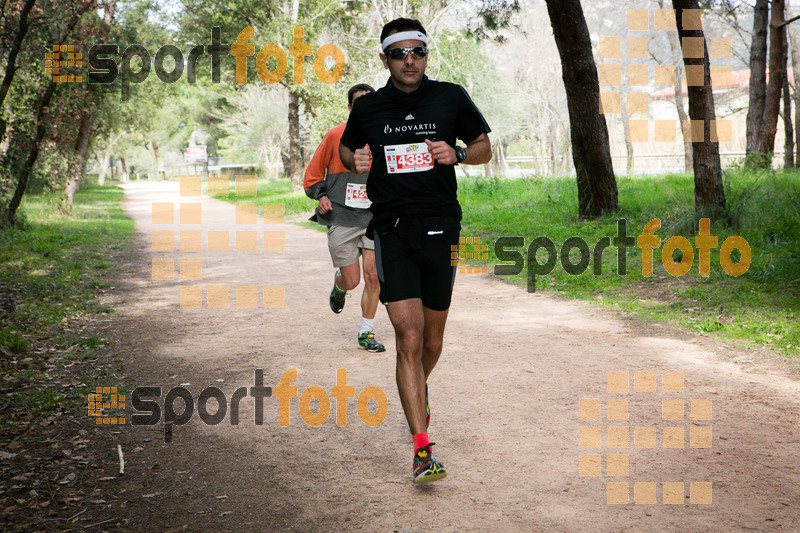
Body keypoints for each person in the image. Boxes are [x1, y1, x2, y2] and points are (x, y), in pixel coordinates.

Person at [339, 18, 492, 484]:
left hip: (442, 227)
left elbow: (485, 146)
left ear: (427, 55)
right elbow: (348, 151)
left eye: (418, 51)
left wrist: (459, 154)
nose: (410, 60)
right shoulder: (369, 107)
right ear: (384, 58)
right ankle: (422, 449)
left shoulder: (451, 96)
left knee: (430, 341)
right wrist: (357, 160)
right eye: (400, 52)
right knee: (407, 336)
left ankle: (417, 385)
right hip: (392, 229)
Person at [303, 83, 385, 353]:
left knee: (373, 276)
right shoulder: (335, 136)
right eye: (357, 103)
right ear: (350, 108)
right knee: (353, 281)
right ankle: (340, 284)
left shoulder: (385, 136)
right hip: (342, 216)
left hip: (374, 218)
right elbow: (313, 176)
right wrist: (322, 196)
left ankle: (366, 331)